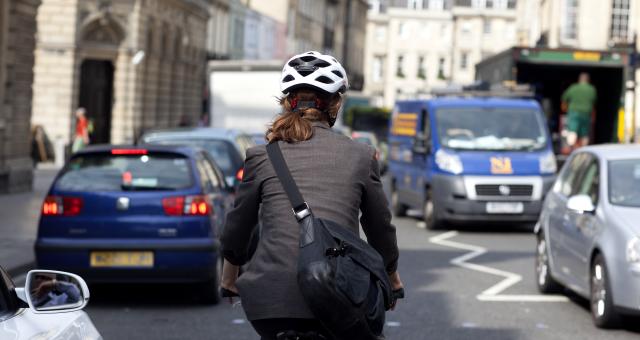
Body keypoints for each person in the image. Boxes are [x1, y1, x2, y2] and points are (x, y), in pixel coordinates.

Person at [220, 51, 402, 340]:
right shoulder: (361, 155)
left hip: (270, 302)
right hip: (337, 295)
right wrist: (390, 276)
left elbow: (237, 226)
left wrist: (229, 276)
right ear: (336, 103)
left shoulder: (261, 155)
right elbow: (379, 225)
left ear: (287, 103)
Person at [561, 72, 597, 149]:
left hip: (574, 112)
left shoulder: (573, 88)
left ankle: (570, 147)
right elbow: (594, 104)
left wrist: (564, 109)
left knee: (572, 129)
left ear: (579, 80)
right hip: (586, 113)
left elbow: (564, 99)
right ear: (588, 80)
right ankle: (584, 148)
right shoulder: (592, 90)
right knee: (584, 132)